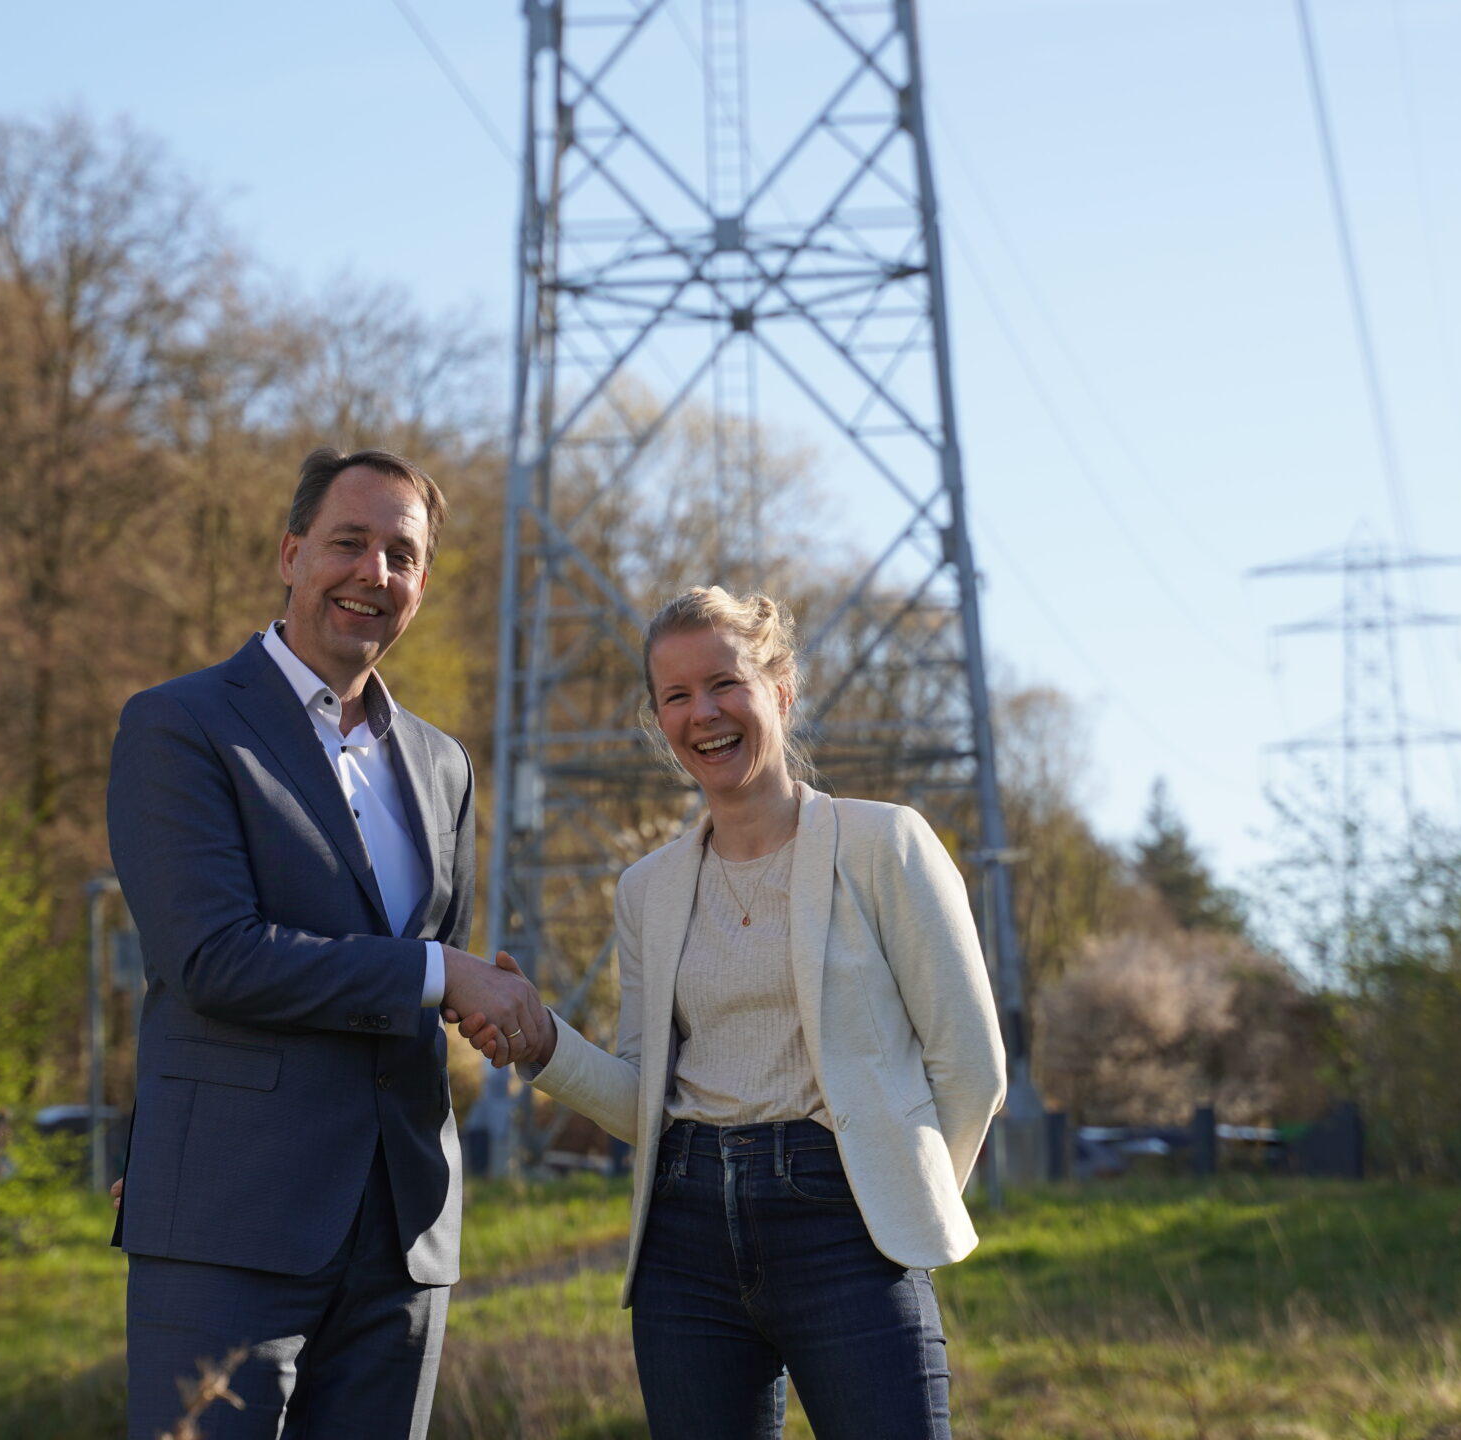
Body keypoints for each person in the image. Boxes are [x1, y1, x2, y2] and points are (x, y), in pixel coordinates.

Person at [467, 585, 1005, 1440]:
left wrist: (900, 1200)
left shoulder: (886, 844)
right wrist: (543, 1044)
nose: (704, 714)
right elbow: (645, 1100)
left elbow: (971, 1067)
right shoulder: (646, 889)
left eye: (725, 684)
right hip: (684, 1241)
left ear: (780, 690)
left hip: (849, 1230)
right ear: (659, 720)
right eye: (676, 695)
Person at [106, 447, 546, 1440]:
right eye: (349, 542)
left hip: (404, 1237)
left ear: (421, 584)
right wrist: (438, 973)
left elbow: (423, 980)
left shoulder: (442, 764)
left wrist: (485, 1003)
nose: (373, 573)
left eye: (402, 555)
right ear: (291, 555)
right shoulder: (180, 725)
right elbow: (211, 958)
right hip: (227, 1221)